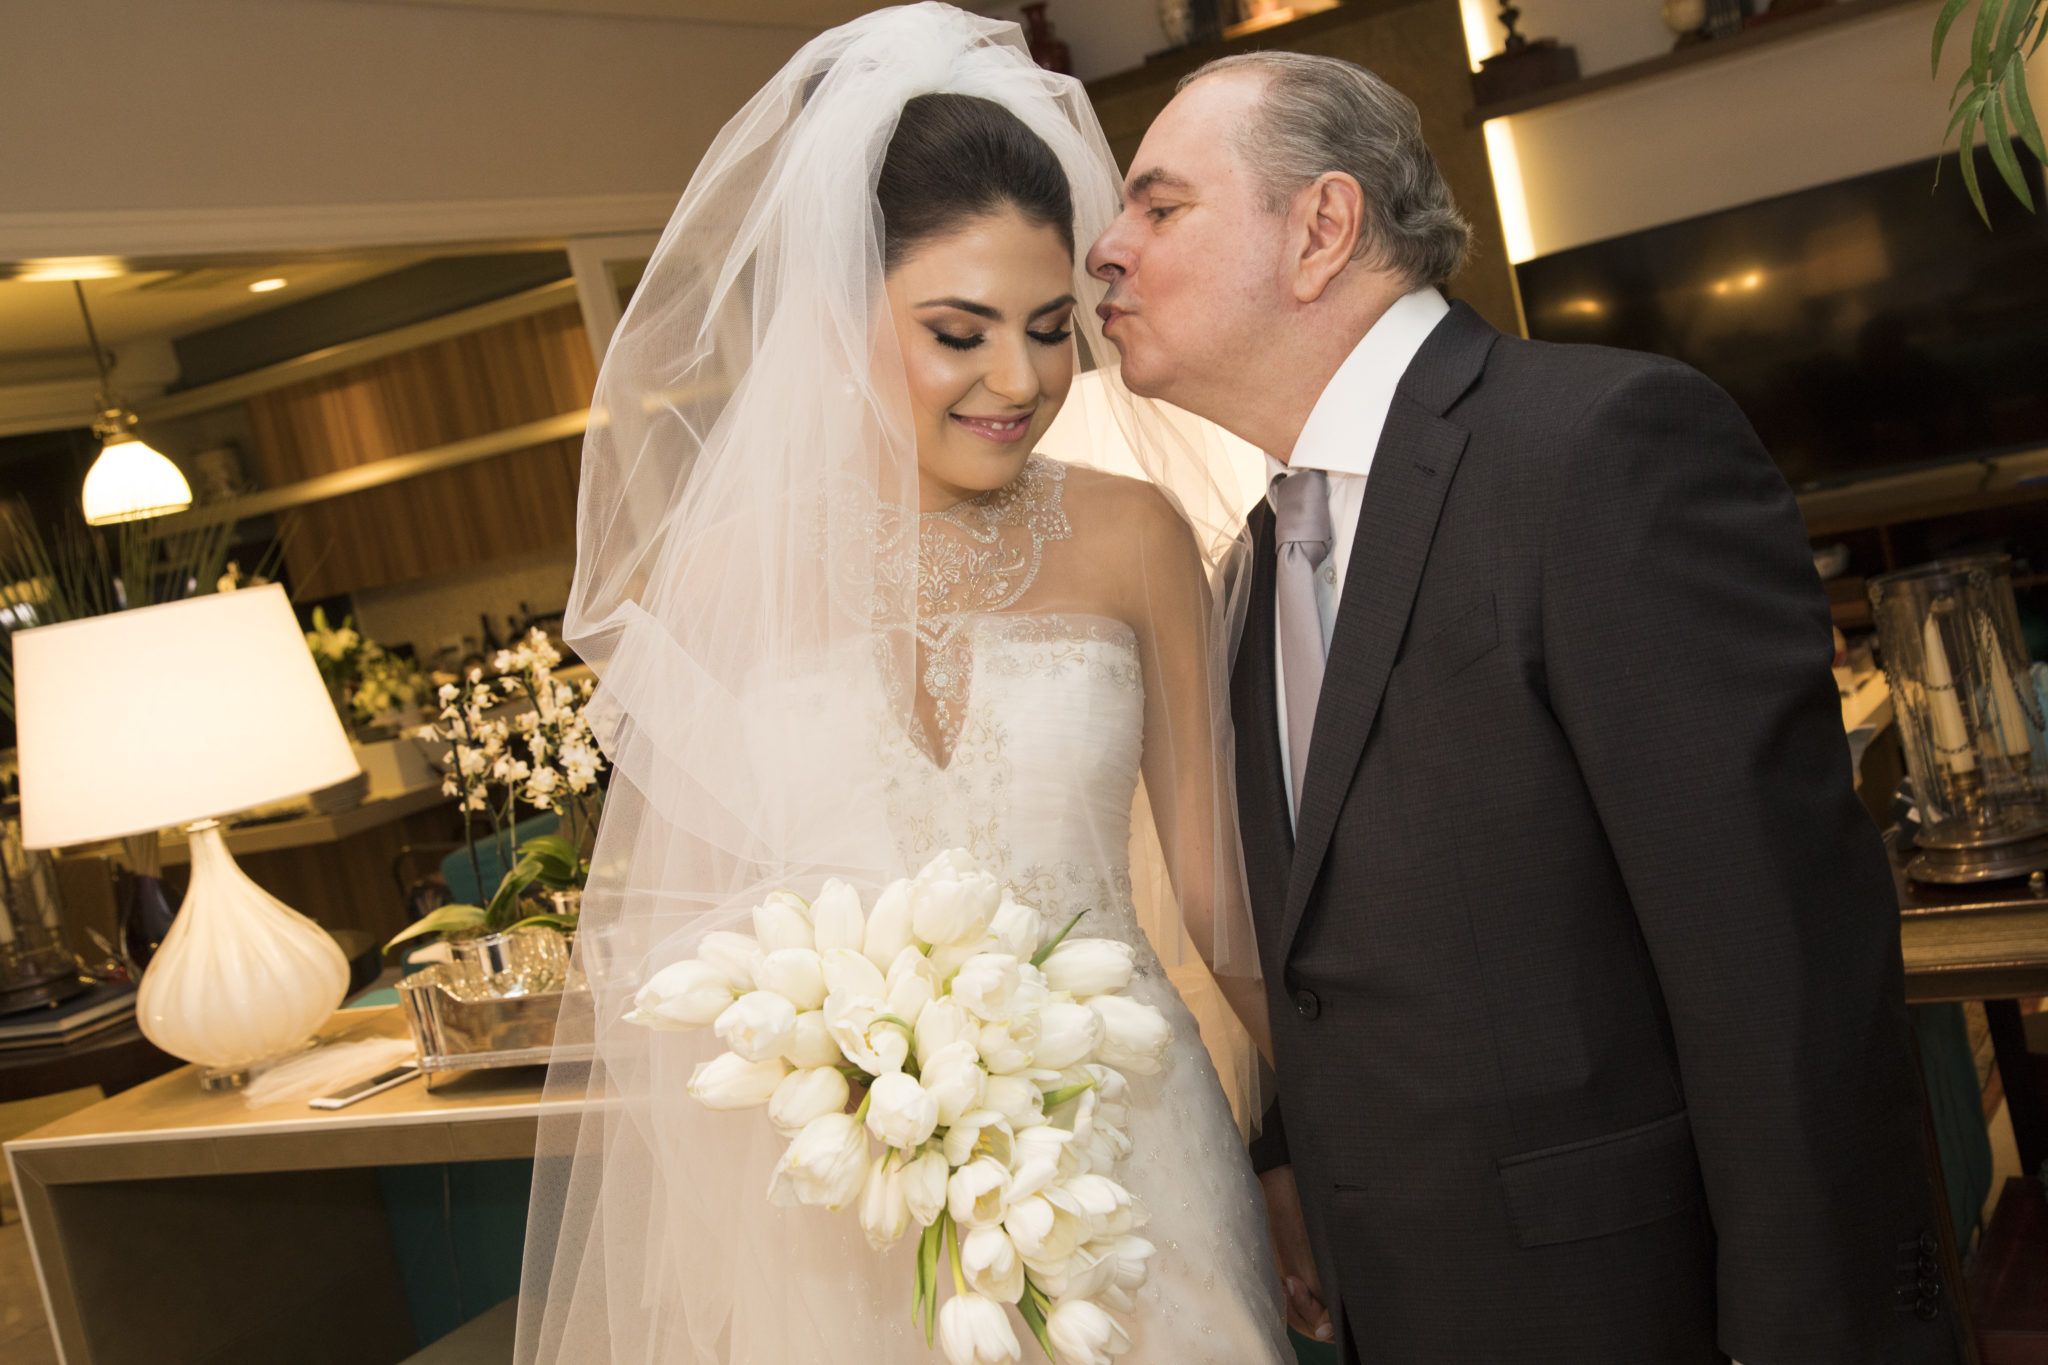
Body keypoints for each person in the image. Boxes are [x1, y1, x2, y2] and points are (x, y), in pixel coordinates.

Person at [1087, 49, 1961, 1365]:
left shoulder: (1602, 450)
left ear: (1321, 229)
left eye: (1159, 206)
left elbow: (1779, 968)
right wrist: (1284, 1147)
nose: (1107, 249)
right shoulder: (1260, 556)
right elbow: (1331, 936)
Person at [515, 8, 1290, 1361]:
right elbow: (691, 938)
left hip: (1134, 1157)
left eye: (1051, 327)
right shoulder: (729, 575)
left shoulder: (1132, 537)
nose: (1019, 379)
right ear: (838, 314)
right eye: (958, 331)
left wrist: (1312, 1146)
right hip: (850, 1198)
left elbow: (1224, 902)